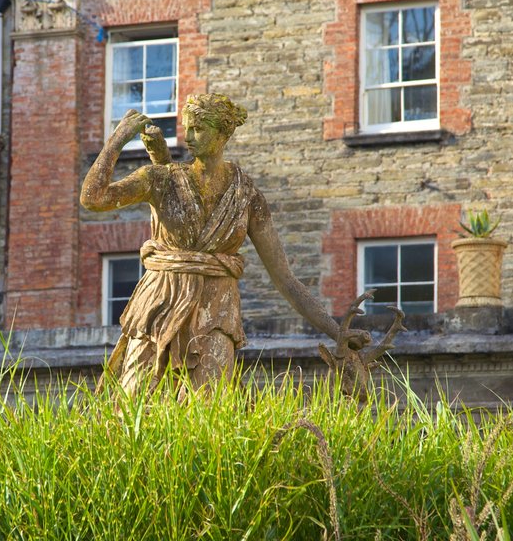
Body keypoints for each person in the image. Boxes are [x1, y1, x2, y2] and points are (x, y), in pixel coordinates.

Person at [81, 93, 366, 396]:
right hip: (158, 307)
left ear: (224, 133)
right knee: (134, 402)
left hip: (216, 312)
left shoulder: (245, 195)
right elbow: (93, 198)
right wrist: (117, 140)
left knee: (209, 406)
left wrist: (338, 332)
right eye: (186, 127)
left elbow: (286, 280)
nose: (188, 137)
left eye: (199, 128)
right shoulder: (161, 178)